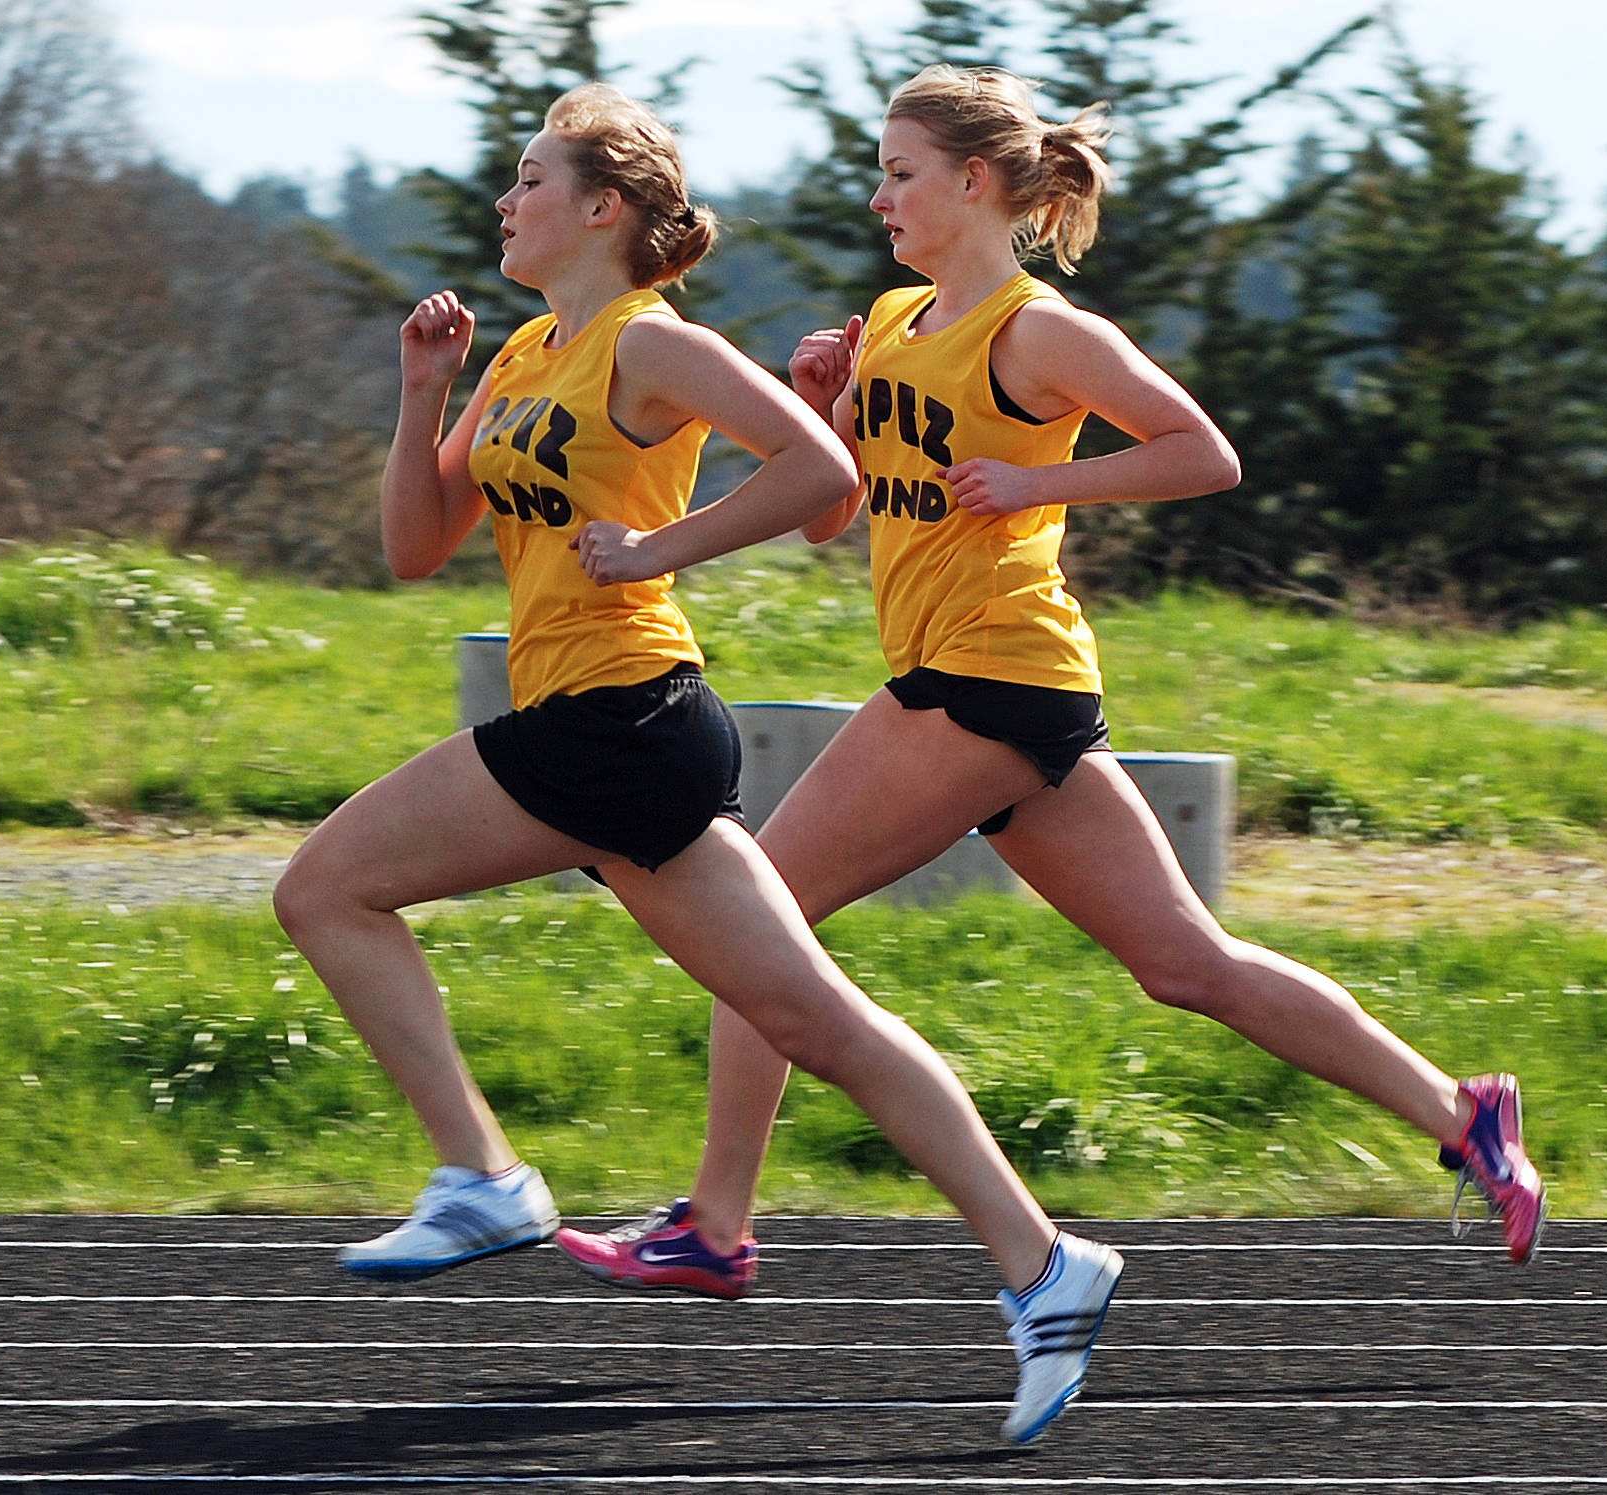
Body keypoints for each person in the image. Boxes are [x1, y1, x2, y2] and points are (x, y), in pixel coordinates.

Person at [555, 63, 1548, 1299]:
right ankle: (1464, 1116)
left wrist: (1039, 483)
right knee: (1186, 964)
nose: (879, 198)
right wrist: (831, 403)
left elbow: (1205, 454)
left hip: (985, 681)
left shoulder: (1039, 330)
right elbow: (838, 523)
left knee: (763, 929)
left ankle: (713, 1224)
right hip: (991, 685)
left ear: (972, 183)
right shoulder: (891, 324)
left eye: (899, 173)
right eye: (880, 173)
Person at [270, 81, 1121, 1449]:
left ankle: (484, 1172)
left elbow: (820, 474)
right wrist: (423, 389)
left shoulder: (645, 347)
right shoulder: (520, 357)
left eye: (530, 179)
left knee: (323, 889)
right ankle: (1044, 1264)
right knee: (814, 1023)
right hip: (615, 730)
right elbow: (414, 546)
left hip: (613, 716)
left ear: (600, 209)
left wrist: (660, 551)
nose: (505, 200)